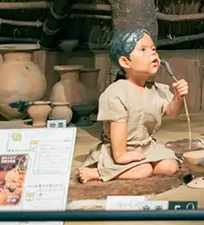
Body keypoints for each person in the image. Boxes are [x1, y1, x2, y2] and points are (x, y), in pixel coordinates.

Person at [78, 28, 189, 183]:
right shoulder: (116, 93)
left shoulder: (155, 89)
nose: (153, 54)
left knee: (170, 167)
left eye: (153, 49)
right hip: (119, 150)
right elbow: (118, 134)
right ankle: (98, 173)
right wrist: (121, 155)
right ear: (125, 62)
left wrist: (178, 97)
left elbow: (173, 113)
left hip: (146, 146)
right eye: (143, 50)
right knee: (144, 170)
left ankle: (141, 165)